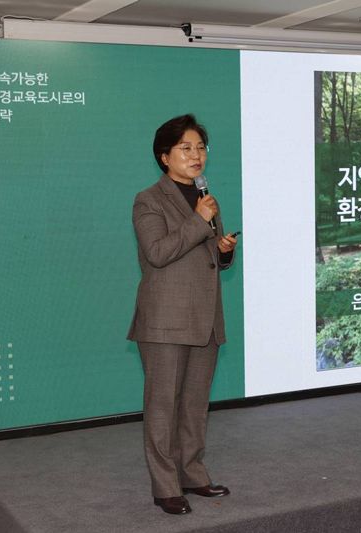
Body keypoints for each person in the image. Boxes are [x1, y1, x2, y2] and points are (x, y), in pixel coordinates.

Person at [127, 114, 237, 515]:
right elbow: (158, 253)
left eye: (201, 148)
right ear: (164, 156)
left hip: (205, 318)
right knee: (163, 405)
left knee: (194, 404)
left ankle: (193, 473)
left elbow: (205, 257)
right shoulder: (149, 199)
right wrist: (200, 221)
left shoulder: (206, 197)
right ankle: (165, 486)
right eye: (186, 148)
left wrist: (224, 252)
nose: (197, 155)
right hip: (165, 321)